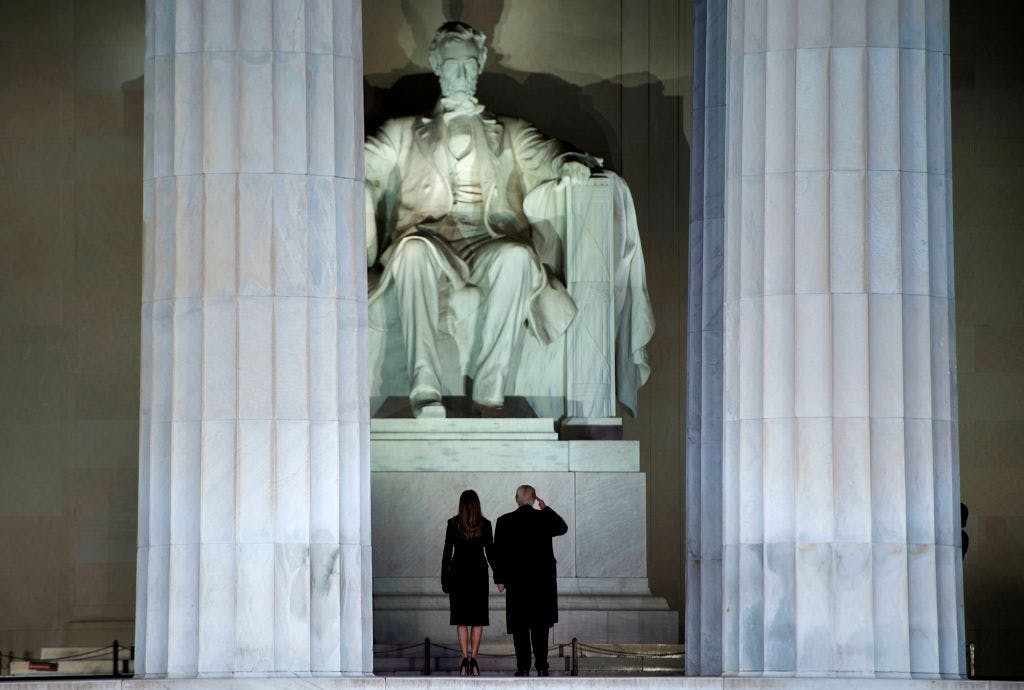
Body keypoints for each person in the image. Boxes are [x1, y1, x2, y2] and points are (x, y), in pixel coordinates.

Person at [364, 21, 600, 419]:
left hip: (486, 240)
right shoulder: (402, 132)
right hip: (428, 239)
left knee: (518, 257)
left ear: (481, 64)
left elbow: (548, 154)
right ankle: (425, 388)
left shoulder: (509, 131)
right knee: (412, 252)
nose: (460, 74)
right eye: (451, 65)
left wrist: (569, 163)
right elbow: (357, 166)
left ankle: (490, 395)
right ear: (436, 65)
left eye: (469, 65)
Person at [492, 484, 568, 676]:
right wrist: (546, 508)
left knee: (520, 627)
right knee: (540, 627)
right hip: (542, 583)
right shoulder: (544, 518)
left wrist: (499, 579)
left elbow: (498, 553)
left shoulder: (504, 521)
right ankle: (541, 666)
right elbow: (562, 527)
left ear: (517, 499)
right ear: (534, 500)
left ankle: (523, 667)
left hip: (516, 582)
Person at [441, 489, 495, 676]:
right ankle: (474, 660)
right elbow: (491, 554)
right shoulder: (485, 524)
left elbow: (447, 553)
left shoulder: (453, 523)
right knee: (477, 620)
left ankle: (464, 659)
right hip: (478, 575)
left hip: (458, 574)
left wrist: (444, 579)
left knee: (461, 619)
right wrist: (499, 577)